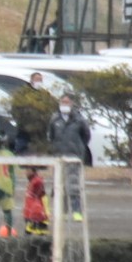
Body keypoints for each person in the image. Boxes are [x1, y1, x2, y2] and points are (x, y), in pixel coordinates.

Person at [47, 93, 93, 221]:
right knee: (58, 185)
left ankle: (77, 211)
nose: (64, 104)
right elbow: (50, 136)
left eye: (67, 102)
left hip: (74, 157)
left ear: (72, 104)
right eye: (62, 102)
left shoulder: (79, 119)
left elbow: (86, 136)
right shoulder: (54, 119)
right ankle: (61, 211)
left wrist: (78, 148)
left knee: (73, 185)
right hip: (58, 157)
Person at [23, 165, 50, 235]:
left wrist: (46, 211)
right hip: (30, 213)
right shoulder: (32, 181)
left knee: (36, 234)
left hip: (36, 214)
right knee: (29, 233)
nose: (26, 172)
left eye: (27, 170)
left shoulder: (37, 181)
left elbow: (43, 196)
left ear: (33, 171)